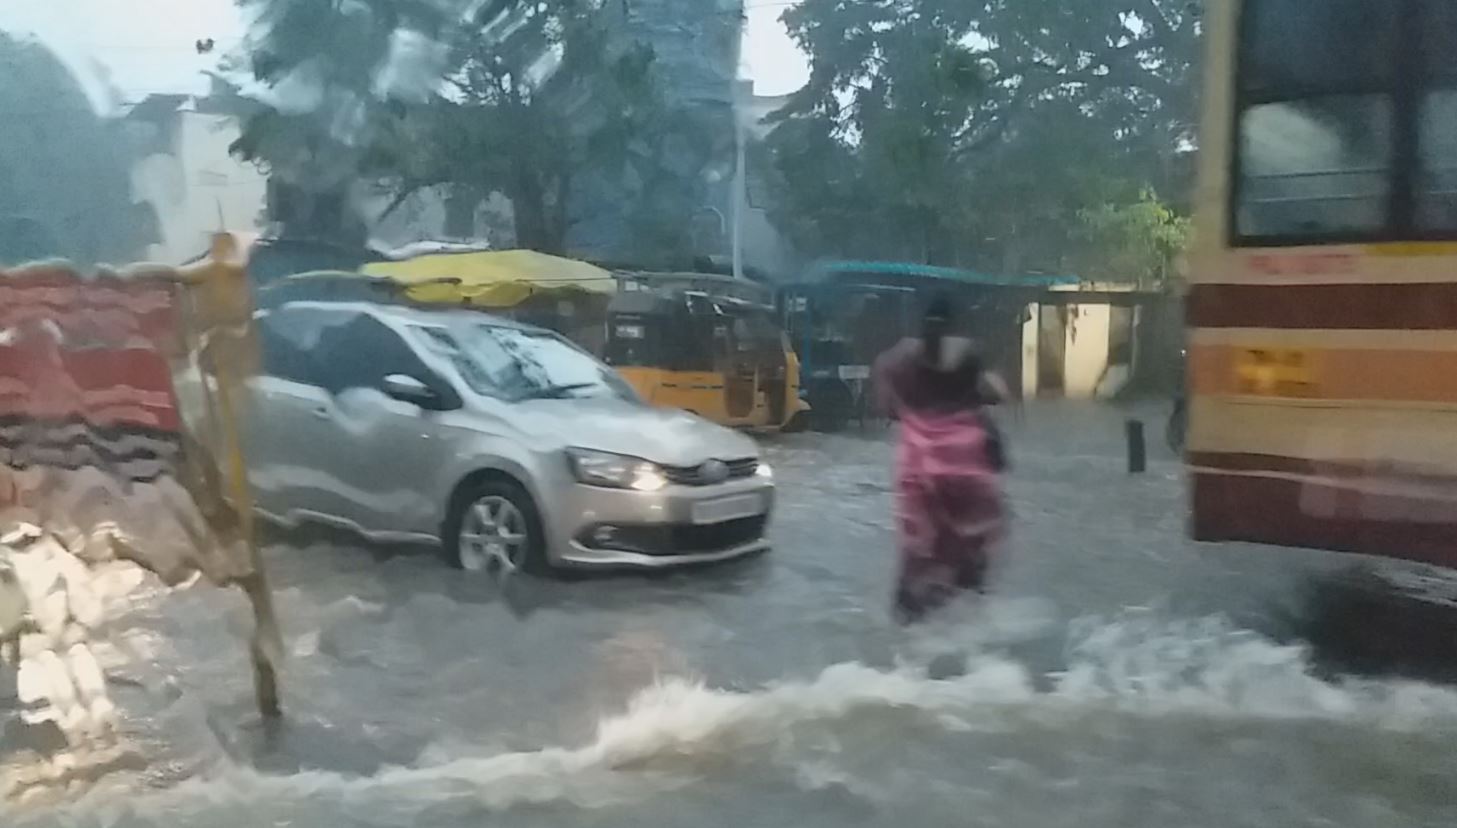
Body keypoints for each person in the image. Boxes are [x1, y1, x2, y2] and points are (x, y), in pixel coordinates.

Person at [873, 293, 1008, 624]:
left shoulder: (904, 355)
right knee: (974, 546)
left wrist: (899, 406)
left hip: (921, 463)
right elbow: (996, 394)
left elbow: (884, 394)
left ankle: (906, 626)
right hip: (966, 463)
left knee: (919, 551)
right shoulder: (969, 353)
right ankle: (971, 617)